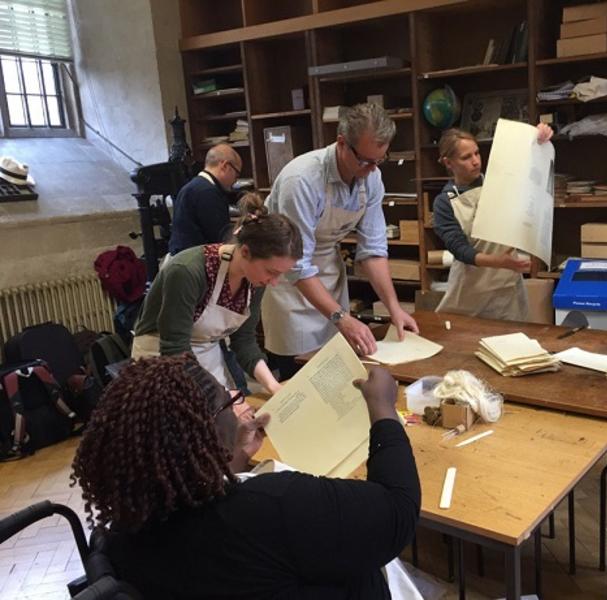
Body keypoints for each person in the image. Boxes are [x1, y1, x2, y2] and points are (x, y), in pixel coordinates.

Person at [71, 354, 421, 599]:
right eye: (229, 402)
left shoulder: (126, 530)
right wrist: (383, 409)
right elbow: (398, 510)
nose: (238, 410)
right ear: (203, 432)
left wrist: (232, 457)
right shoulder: (269, 507)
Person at [264, 103, 418, 378]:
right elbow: (297, 264)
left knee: (335, 376)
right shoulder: (301, 180)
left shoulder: (371, 178)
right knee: (300, 377)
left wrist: (395, 309)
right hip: (288, 282)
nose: (372, 169)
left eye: (379, 161)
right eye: (365, 161)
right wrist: (341, 318)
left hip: (328, 274)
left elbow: (372, 248)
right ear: (342, 143)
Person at [131, 193, 301, 394]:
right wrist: (219, 396)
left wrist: (273, 386)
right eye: (272, 272)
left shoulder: (256, 281)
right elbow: (175, 350)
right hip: (160, 365)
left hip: (205, 359)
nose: (274, 282)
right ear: (245, 252)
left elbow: (244, 341)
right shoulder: (187, 272)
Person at [433, 125, 553, 320]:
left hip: (507, 290)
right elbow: (459, 249)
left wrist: (538, 137)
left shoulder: (500, 185)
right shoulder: (444, 203)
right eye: (466, 157)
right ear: (448, 162)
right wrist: (498, 262)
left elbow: (527, 165)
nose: (475, 161)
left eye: (477, 153)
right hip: (470, 290)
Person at [168, 143, 243, 257]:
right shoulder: (207, 192)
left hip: (184, 259)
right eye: (236, 174)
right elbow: (221, 239)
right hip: (193, 264)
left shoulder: (194, 186)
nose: (235, 181)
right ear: (225, 166)